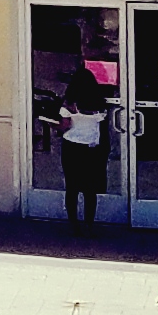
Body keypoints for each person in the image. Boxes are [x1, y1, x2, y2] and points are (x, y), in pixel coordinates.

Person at [55, 85, 117, 232]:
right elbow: (101, 125)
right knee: (90, 189)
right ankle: (89, 224)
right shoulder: (100, 106)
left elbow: (64, 126)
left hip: (72, 147)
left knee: (72, 187)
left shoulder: (68, 105)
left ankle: (74, 224)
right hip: (91, 148)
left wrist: (52, 125)